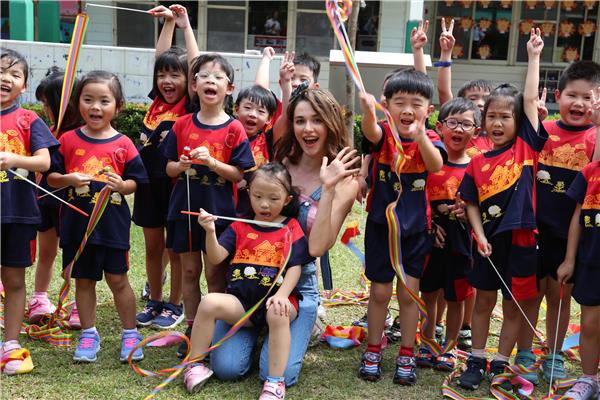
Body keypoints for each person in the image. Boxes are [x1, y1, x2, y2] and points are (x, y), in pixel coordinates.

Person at [206, 89, 359, 387]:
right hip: (251, 279)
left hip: (296, 287)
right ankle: (259, 327)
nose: (308, 129)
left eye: (317, 120)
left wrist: (328, 190)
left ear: (331, 124)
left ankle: (301, 324)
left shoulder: (346, 182)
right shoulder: (281, 165)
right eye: (300, 121)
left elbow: (316, 247)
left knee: (278, 375)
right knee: (226, 368)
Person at [456, 29, 547, 392]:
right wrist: (478, 235)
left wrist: (533, 56)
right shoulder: (476, 164)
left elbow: (527, 100)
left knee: (513, 306)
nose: (497, 123)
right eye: (491, 117)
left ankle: (501, 361)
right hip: (488, 245)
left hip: (523, 243)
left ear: (518, 123)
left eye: (505, 118)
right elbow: (472, 204)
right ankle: (476, 358)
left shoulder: (527, 147)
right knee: (483, 302)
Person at [184, 162, 313, 399]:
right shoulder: (240, 226)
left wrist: (282, 294)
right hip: (241, 303)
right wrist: (210, 231)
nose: (264, 204)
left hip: (277, 302)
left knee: (277, 312)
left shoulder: (291, 227)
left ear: (287, 199)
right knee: (210, 302)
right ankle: (194, 365)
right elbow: (216, 256)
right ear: (249, 194)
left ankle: (275, 382)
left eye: (273, 198)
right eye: (258, 196)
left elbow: (295, 267)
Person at [47, 71, 148, 363]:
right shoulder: (67, 140)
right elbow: (51, 177)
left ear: (118, 107)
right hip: (77, 226)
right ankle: (89, 333)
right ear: (78, 103)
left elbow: (135, 182)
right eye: (88, 99)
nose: (95, 107)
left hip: (112, 227)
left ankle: (130, 334)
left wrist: (121, 185)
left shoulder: (124, 144)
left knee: (119, 280)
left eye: (104, 101)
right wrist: (67, 178)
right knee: (83, 281)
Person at [358, 67, 446, 385]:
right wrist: (368, 111)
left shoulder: (431, 139)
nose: (407, 110)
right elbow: (371, 133)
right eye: (399, 102)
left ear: (429, 110)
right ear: (386, 104)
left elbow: (436, 164)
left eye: (416, 103)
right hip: (381, 227)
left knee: (409, 295)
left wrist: (421, 135)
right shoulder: (383, 134)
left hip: (415, 231)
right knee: (380, 292)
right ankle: (373, 350)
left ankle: (407, 353)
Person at [163, 53, 255, 357]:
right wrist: (181, 165)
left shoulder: (234, 129)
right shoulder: (181, 125)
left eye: (217, 77)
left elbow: (240, 174)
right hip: (184, 209)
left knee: (215, 273)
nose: (210, 81)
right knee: (190, 272)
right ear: (194, 85)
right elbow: (168, 168)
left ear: (229, 88)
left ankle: (214, 326)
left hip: (220, 213)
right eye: (203, 76)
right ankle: (193, 327)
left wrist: (213, 162)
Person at [133, 4, 199, 331]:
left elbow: (197, 65)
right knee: (152, 247)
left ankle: (175, 305)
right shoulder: (157, 104)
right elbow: (161, 57)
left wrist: (185, 27)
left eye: (176, 75)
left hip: (174, 188)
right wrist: (168, 23)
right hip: (146, 185)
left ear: (190, 82)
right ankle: (155, 300)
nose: (167, 80)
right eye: (163, 75)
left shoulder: (189, 106)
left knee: (174, 251)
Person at [536, 60, 600, 383]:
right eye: (571, 95)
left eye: (587, 98)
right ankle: (523, 352)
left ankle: (554, 353)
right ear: (557, 96)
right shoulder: (544, 132)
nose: (578, 104)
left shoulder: (595, 139)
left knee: (558, 300)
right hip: (537, 230)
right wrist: (534, 58)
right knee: (531, 293)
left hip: (573, 236)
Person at [0, 48, 59, 375]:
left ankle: (10, 344)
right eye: (0, 70)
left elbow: (44, 163)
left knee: (13, 279)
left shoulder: (28, 119)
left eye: (14, 73)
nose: (5, 78)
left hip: (16, 214)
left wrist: (14, 160)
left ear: (23, 86)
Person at [419, 97, 480, 371]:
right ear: (440, 126)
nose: (458, 129)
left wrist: (465, 213)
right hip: (431, 240)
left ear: (476, 132)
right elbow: (415, 199)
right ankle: (427, 341)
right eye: (452, 122)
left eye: (466, 124)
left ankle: (450, 347)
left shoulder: (477, 166)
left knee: (456, 297)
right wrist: (430, 225)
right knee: (429, 293)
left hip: (462, 243)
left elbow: (483, 207)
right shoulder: (429, 161)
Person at [29, 67, 83, 328]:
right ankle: (39, 298)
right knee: (46, 252)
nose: (44, 109)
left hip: (73, 204)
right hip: (47, 200)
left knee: (73, 255)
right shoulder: (50, 130)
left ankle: (77, 304)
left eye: (47, 104)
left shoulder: (82, 133)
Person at [557, 86, 600, 400]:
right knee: (589, 323)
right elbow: (576, 217)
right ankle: (588, 378)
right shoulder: (590, 173)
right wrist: (570, 259)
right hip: (590, 261)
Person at [233, 84, 278, 217]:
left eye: (261, 111)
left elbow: (285, 120)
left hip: (256, 211)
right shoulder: (226, 135)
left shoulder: (268, 139)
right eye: (247, 108)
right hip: (227, 208)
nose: (252, 114)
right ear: (236, 109)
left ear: (269, 119)